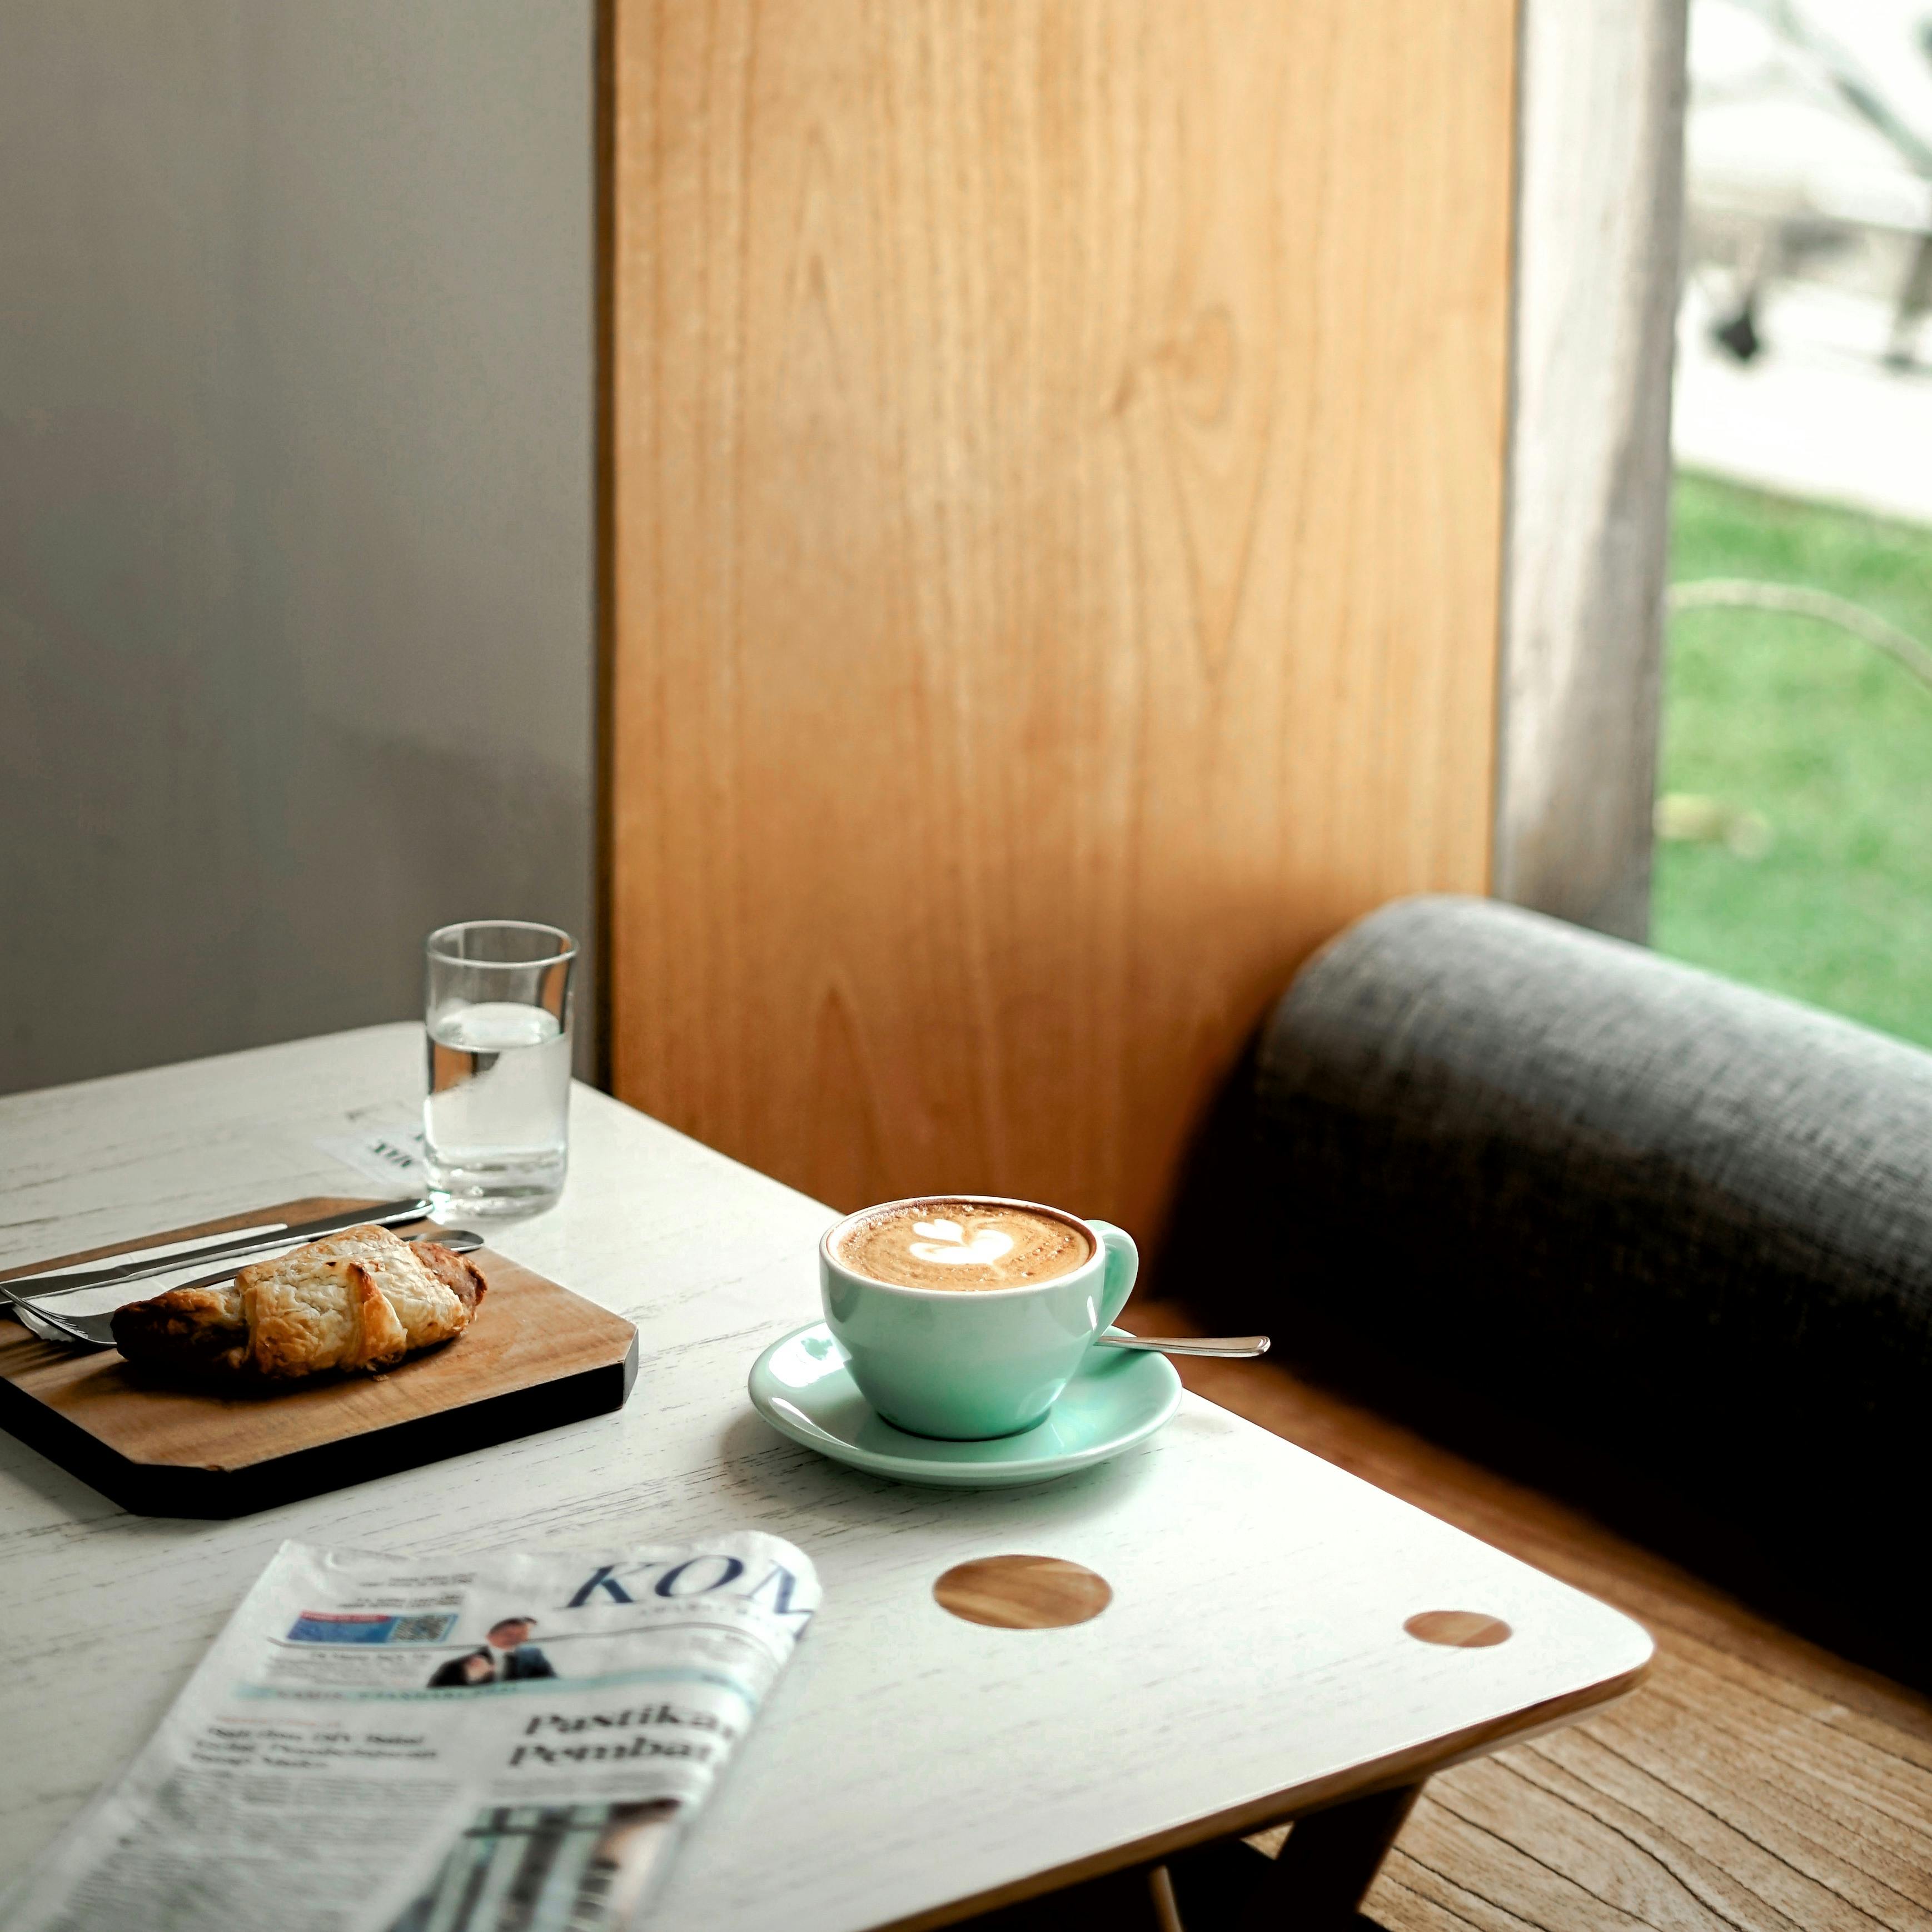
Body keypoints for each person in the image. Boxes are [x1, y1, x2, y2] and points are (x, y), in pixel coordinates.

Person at [427, 1616, 556, 1687]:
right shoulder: (454, 1666)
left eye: (521, 1634)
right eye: (507, 1634)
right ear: (489, 1636)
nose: (512, 1638)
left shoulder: (534, 1659)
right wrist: (473, 1680)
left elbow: (552, 1686)